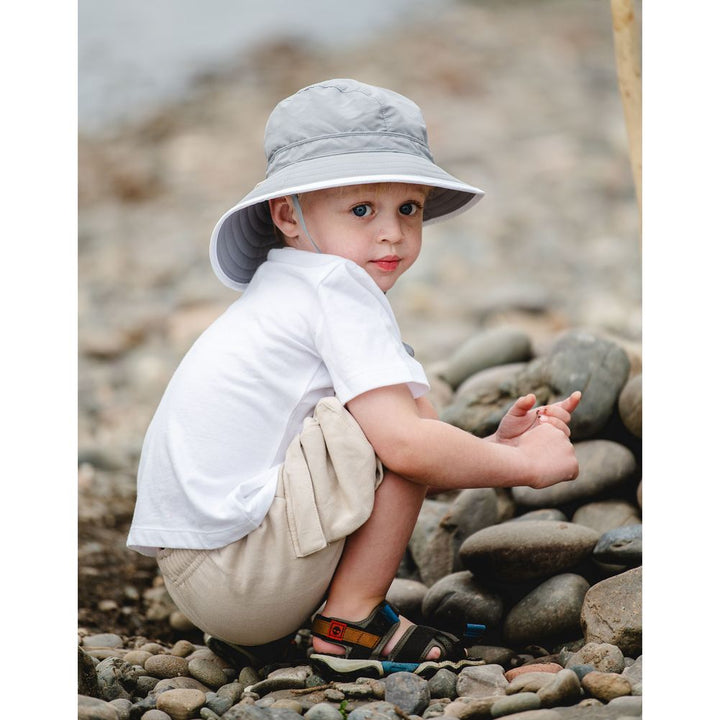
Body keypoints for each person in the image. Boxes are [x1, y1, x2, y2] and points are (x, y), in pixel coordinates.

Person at [127, 78, 581, 679]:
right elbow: (407, 450)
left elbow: (412, 450)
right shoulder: (335, 287)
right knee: (396, 427)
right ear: (288, 215)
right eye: (362, 210)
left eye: (408, 208)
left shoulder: (283, 286)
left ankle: (294, 625)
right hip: (245, 576)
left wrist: (489, 448)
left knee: (393, 415)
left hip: (205, 576)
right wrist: (526, 464)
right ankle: (350, 622)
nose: (392, 232)